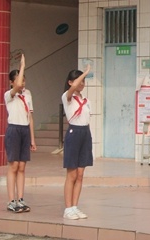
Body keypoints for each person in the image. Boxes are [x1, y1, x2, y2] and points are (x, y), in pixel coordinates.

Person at [4, 54, 37, 213]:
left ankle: (21, 199)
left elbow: (30, 117)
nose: (22, 83)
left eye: (24, 80)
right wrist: (22, 65)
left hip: (24, 130)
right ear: (11, 82)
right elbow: (17, 87)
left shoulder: (27, 94)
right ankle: (11, 200)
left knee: (22, 166)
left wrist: (32, 139)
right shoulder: (9, 95)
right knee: (14, 166)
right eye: (19, 80)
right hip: (13, 130)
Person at [62, 65, 92, 220]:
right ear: (70, 82)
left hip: (85, 133)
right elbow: (73, 88)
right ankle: (68, 208)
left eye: (83, 81)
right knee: (72, 174)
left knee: (80, 174)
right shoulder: (67, 97)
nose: (81, 83)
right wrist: (85, 72)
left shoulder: (86, 101)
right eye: (79, 80)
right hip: (74, 133)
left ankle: (75, 206)